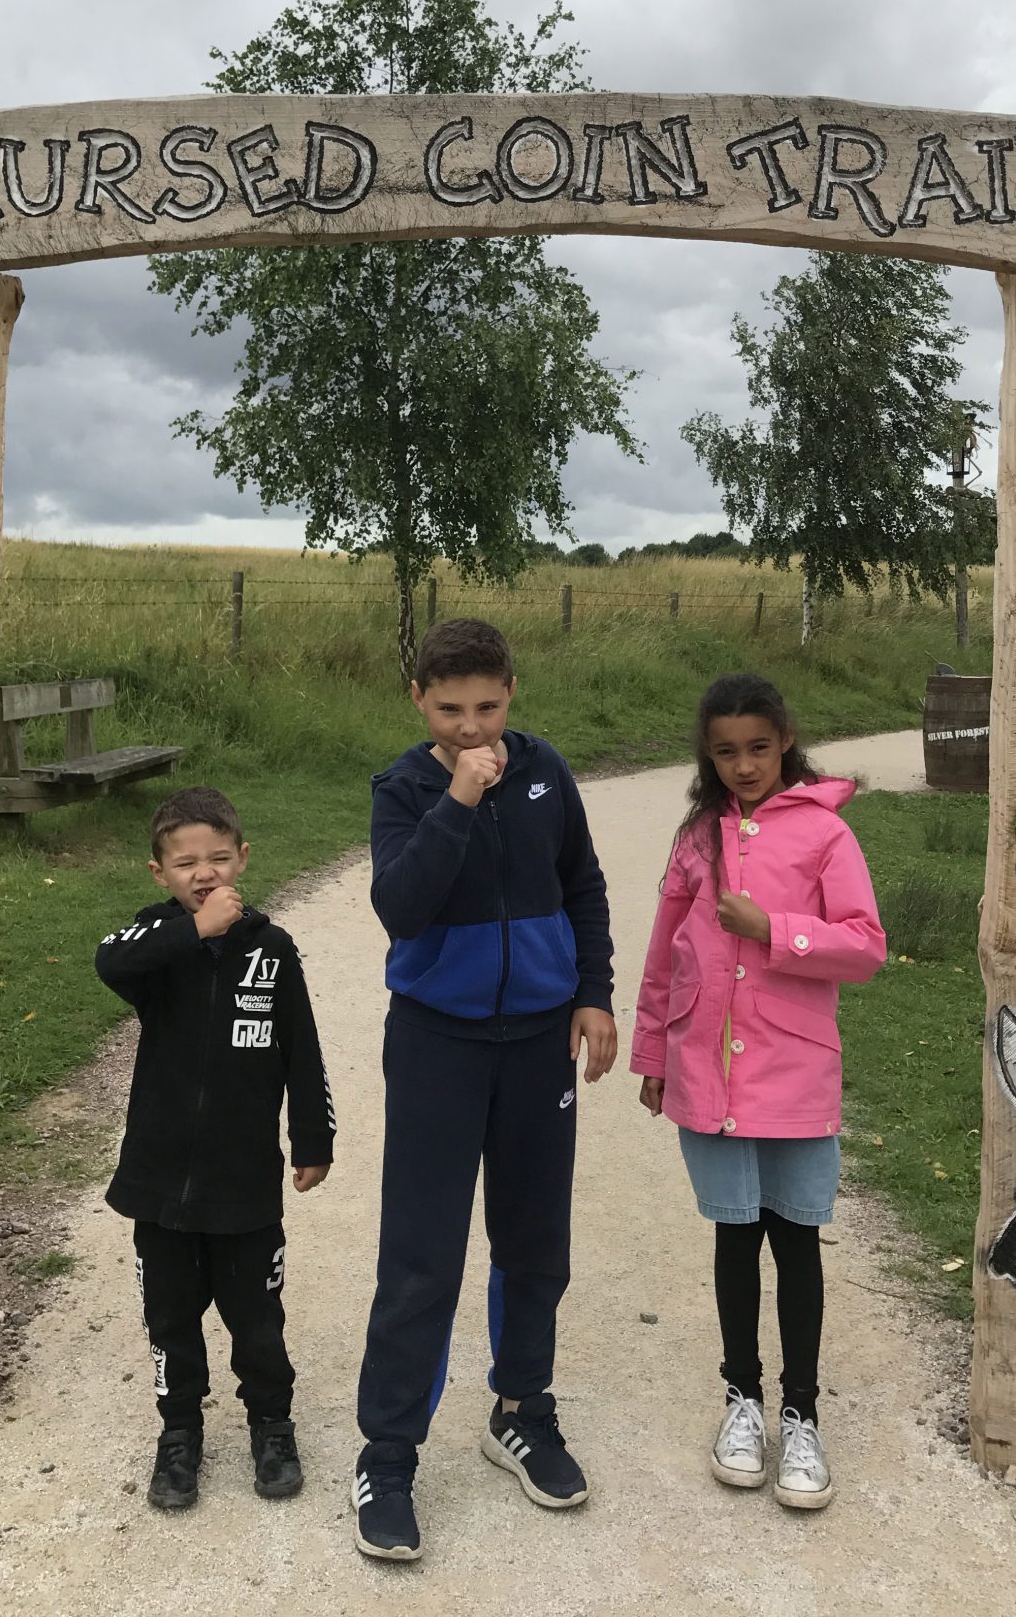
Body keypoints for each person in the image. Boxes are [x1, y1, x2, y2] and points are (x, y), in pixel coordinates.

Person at [352, 617, 616, 1563]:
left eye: (489, 708)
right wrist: (459, 800)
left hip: (539, 1041)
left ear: (512, 693)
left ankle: (521, 1411)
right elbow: (400, 906)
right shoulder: (404, 788)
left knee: (535, 1241)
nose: (472, 728)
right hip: (437, 1043)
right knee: (421, 1254)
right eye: (450, 710)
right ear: (418, 701)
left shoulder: (546, 772)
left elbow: (583, 885)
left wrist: (593, 994)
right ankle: (388, 1454)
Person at [631, 674, 886, 1512]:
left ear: (786, 742)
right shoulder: (695, 841)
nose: (743, 766)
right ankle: (741, 1399)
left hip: (794, 1075)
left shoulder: (826, 834)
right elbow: (665, 955)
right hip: (707, 1071)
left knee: (796, 1241)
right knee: (734, 1239)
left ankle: (800, 1413)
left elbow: (865, 946)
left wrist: (774, 931)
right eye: (725, 752)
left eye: (759, 748)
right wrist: (653, 1053)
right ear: (708, 756)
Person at [95, 786, 335, 1513]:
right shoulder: (155, 940)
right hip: (159, 1182)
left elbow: (302, 1051)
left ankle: (272, 1425)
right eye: (185, 863)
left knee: (257, 1321)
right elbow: (110, 962)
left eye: (219, 858)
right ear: (159, 873)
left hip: (243, 1185)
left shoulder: (272, 948)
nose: (204, 873)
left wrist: (313, 1137)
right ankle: (179, 1434)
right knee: (170, 1322)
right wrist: (194, 930)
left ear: (243, 859)